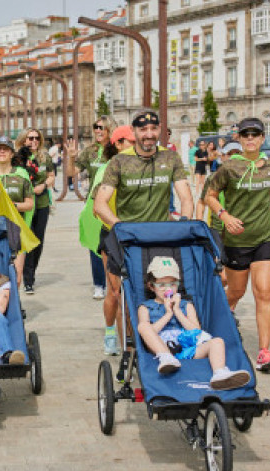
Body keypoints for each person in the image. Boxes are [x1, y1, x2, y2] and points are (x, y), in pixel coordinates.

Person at [94, 110, 194, 376]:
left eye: (153, 129)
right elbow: (100, 204)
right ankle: (131, 348)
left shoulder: (170, 157)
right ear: (135, 133)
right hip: (126, 237)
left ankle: (161, 341)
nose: (148, 135)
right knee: (121, 294)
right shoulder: (119, 162)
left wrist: (185, 222)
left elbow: (185, 195)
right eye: (142, 130)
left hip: (160, 236)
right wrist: (120, 227)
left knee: (161, 292)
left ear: (159, 130)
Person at [205, 118, 270, 372]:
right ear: (239, 139)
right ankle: (215, 315)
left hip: (265, 237)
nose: (250, 139)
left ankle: (265, 353)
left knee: (264, 292)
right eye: (245, 135)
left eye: (255, 134)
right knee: (236, 291)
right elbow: (210, 196)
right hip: (236, 239)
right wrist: (224, 215)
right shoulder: (228, 167)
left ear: (263, 138)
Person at [136, 256, 251, 390]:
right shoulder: (146, 307)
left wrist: (177, 311)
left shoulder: (186, 305)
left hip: (187, 347)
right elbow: (147, 332)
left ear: (178, 284)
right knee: (143, 326)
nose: (168, 289)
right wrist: (168, 314)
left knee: (217, 341)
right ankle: (166, 357)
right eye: (161, 285)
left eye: (172, 284)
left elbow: (196, 330)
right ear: (151, 286)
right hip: (161, 348)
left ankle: (220, 373)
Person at [87, 125, 135, 354]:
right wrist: (118, 223)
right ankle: (113, 334)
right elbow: (97, 208)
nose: (134, 148)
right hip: (113, 234)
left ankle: (133, 338)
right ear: (117, 144)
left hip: (140, 234)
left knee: (136, 292)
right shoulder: (108, 169)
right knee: (116, 293)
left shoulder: (144, 167)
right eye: (129, 142)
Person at [71, 117, 114, 299]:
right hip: (93, 202)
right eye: (95, 127)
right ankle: (99, 283)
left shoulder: (116, 150)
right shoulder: (90, 152)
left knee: (113, 244)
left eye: (101, 127)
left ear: (110, 129)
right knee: (95, 244)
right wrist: (72, 157)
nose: (98, 130)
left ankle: (114, 281)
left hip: (114, 202)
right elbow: (71, 172)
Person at [14, 127, 56, 294]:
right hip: (24, 205)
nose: (34, 141)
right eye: (30, 138)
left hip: (42, 202)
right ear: (24, 140)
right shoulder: (18, 157)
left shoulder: (44, 156)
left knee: (38, 240)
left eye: (37, 138)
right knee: (27, 240)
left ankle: (31, 271)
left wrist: (43, 185)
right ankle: (28, 279)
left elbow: (52, 176)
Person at [0, 136, 34, 289]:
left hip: (17, 230)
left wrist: (11, 206)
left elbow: (29, 204)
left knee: (16, 274)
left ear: (11, 154)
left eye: (6, 149)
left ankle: (14, 308)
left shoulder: (21, 174)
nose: (2, 151)